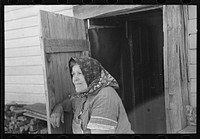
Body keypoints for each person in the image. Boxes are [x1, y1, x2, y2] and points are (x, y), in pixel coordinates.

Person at [50, 56, 134, 134]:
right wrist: (59, 107)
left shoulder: (105, 96)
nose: (75, 79)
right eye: (73, 74)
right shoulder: (83, 95)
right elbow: (69, 102)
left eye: (80, 73)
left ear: (92, 74)